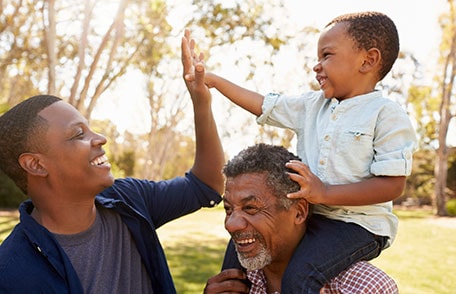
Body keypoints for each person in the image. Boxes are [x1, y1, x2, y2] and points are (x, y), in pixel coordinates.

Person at [184, 11, 417, 293]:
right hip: (313, 217)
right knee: (236, 258)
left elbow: (392, 185)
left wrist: (325, 193)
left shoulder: (387, 115)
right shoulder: (311, 106)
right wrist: (214, 81)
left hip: (356, 227)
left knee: (301, 276)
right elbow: (264, 105)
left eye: (327, 55)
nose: (316, 66)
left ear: (368, 60)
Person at [0, 31, 224, 293]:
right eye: (78, 134)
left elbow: (206, 184)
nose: (101, 139)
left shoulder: (129, 199)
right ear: (36, 165)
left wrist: (201, 102)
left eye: (91, 129)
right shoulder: (12, 275)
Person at [203, 143, 398, 294]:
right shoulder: (232, 282)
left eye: (251, 208)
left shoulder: (366, 287)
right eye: (228, 209)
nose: (231, 225)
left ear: (299, 212)